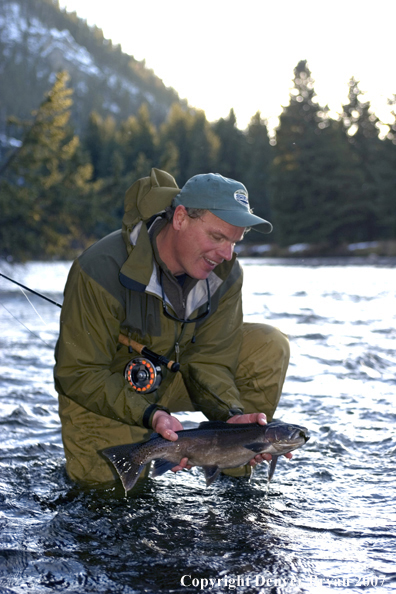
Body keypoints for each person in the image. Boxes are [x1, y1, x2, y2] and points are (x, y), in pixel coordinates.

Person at [54, 168, 290, 488]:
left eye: (235, 242)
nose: (226, 254)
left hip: (176, 375)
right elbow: (78, 372)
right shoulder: (99, 268)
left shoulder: (225, 272)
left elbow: (211, 359)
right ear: (180, 218)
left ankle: (231, 465)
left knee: (269, 345)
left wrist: (230, 417)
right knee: (112, 504)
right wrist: (151, 415)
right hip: (106, 391)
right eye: (218, 237)